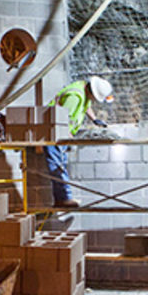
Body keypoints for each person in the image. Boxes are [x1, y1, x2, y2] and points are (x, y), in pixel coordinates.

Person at [45, 76, 113, 207]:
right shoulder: (75, 96)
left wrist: (94, 119)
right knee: (57, 165)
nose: (94, 100)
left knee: (61, 164)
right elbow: (63, 119)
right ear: (92, 92)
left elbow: (86, 106)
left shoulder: (83, 91)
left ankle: (64, 198)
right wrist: (68, 137)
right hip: (53, 132)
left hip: (59, 134)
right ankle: (63, 199)